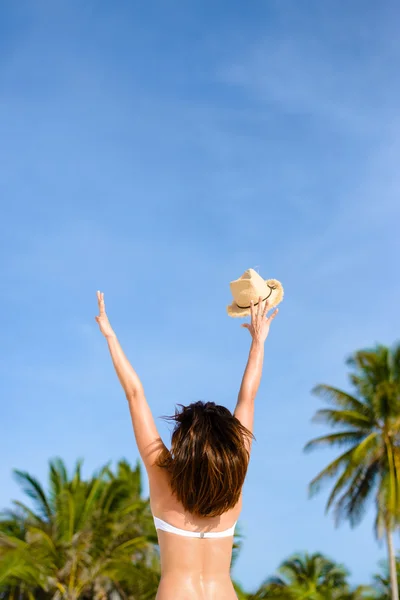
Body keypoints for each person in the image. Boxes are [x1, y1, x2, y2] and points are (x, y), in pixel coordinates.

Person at [95, 290, 278, 600]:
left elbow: (135, 394)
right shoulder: (234, 482)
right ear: (228, 446)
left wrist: (110, 336)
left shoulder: (164, 480)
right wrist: (258, 342)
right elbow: (248, 397)